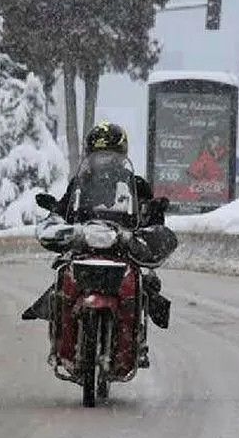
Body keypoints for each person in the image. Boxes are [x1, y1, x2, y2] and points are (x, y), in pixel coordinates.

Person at [21, 121, 176, 367]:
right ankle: (60, 337)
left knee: (147, 282)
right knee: (61, 275)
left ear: (121, 155)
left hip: (121, 246)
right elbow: (65, 209)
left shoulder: (136, 185)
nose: (106, 161)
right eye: (99, 155)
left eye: (112, 155)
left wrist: (153, 214)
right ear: (90, 155)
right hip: (85, 244)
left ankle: (139, 341)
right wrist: (56, 213)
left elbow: (149, 215)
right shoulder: (80, 182)